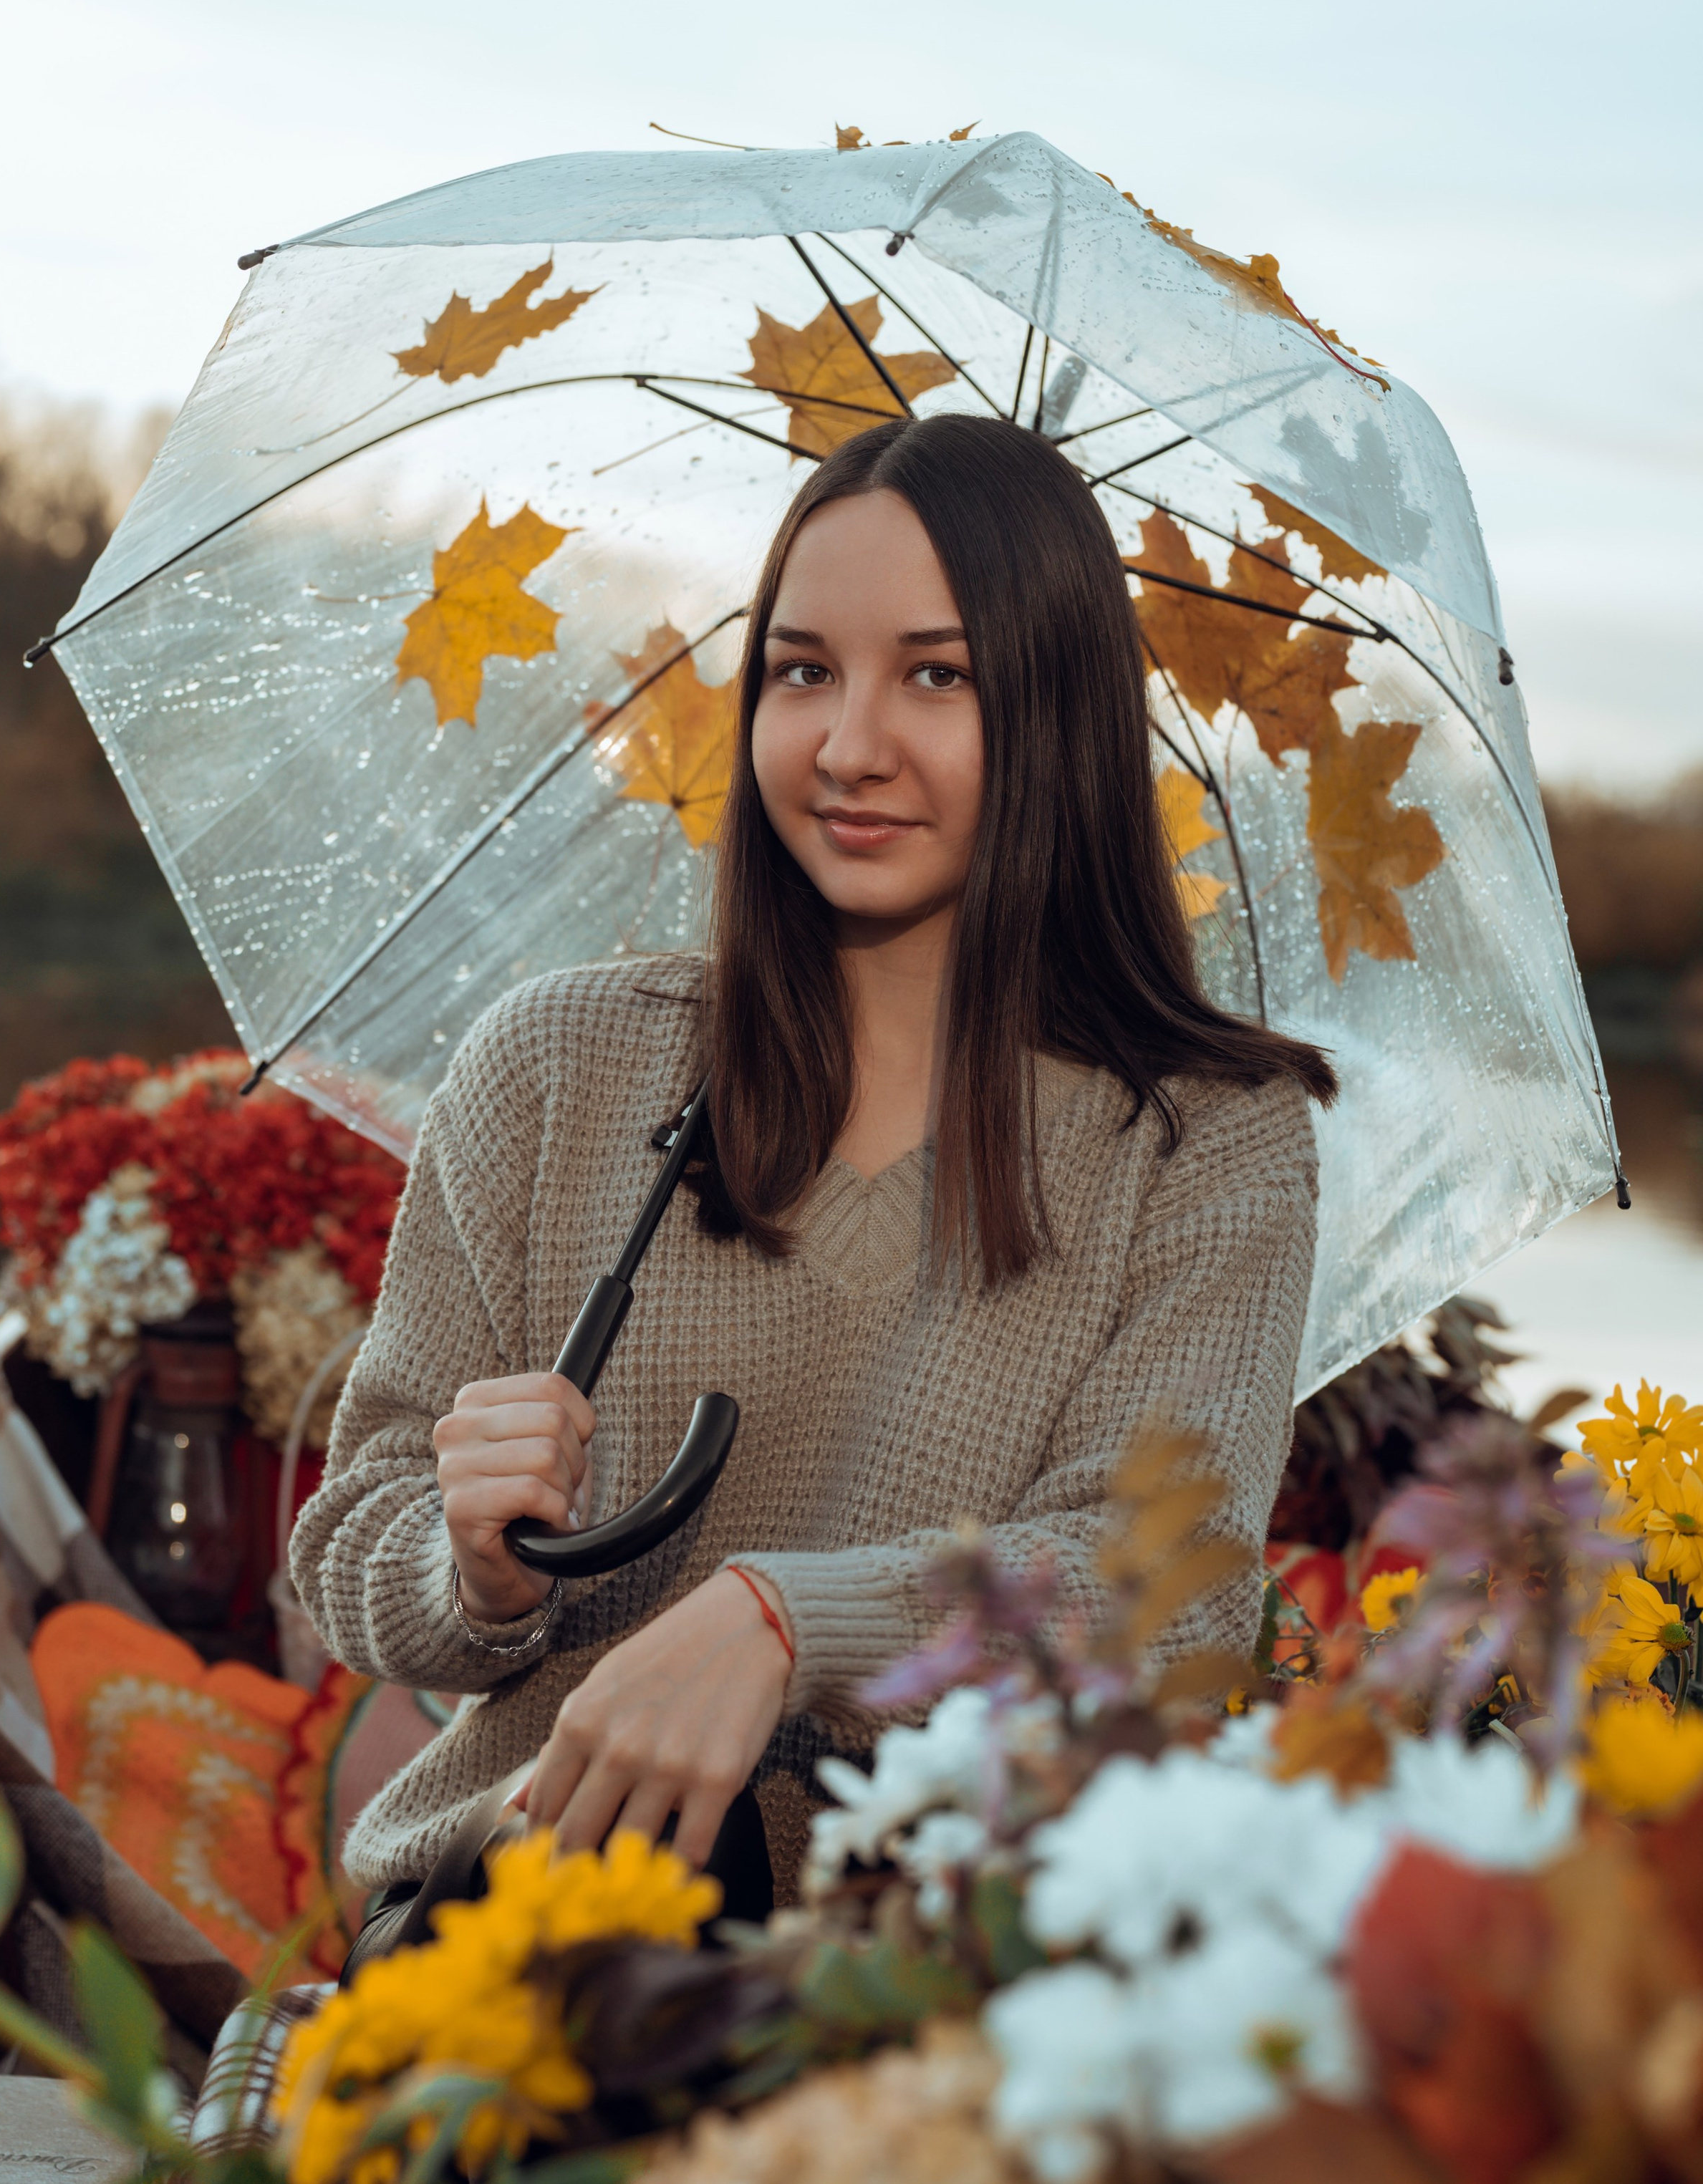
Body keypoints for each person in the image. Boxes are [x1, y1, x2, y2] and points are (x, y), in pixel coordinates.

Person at [291, 412, 1333, 1908]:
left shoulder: (1203, 1139)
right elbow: (353, 1538)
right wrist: (475, 1564)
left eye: (936, 674)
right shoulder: (557, 1063)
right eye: (800, 670)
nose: (847, 746)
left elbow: (1160, 1598)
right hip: (527, 1924)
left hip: (938, 1972)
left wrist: (786, 1620)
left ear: (1053, 711)